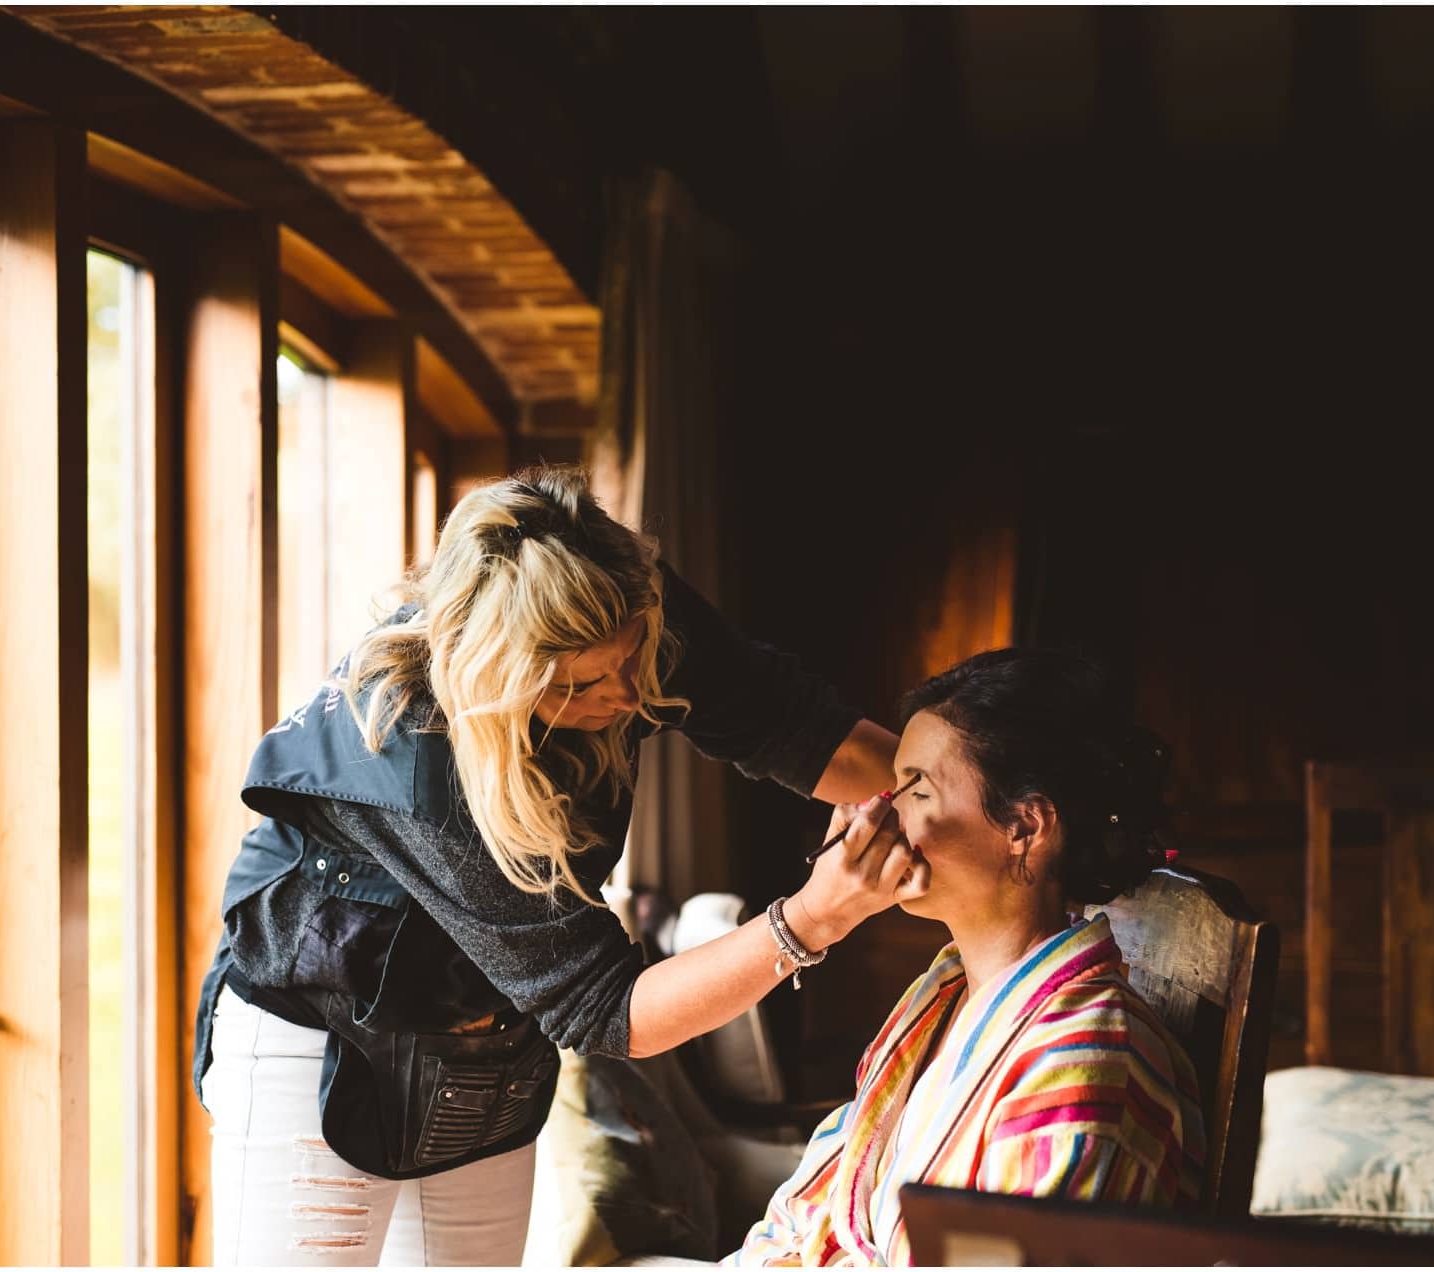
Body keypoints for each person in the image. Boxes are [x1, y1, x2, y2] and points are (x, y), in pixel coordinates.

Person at [196, 466, 908, 1266]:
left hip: (487, 1046)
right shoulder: (418, 753)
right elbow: (608, 1009)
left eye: (633, 657)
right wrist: (817, 914)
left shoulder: (617, 603)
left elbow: (788, 722)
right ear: (496, 678)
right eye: (579, 685)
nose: (632, 694)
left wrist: (927, 799)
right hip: (322, 1040)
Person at [727, 648, 1205, 1267]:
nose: (884, 816)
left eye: (916, 790)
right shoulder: (947, 994)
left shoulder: (1082, 1074)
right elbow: (815, 1204)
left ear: (1025, 828)